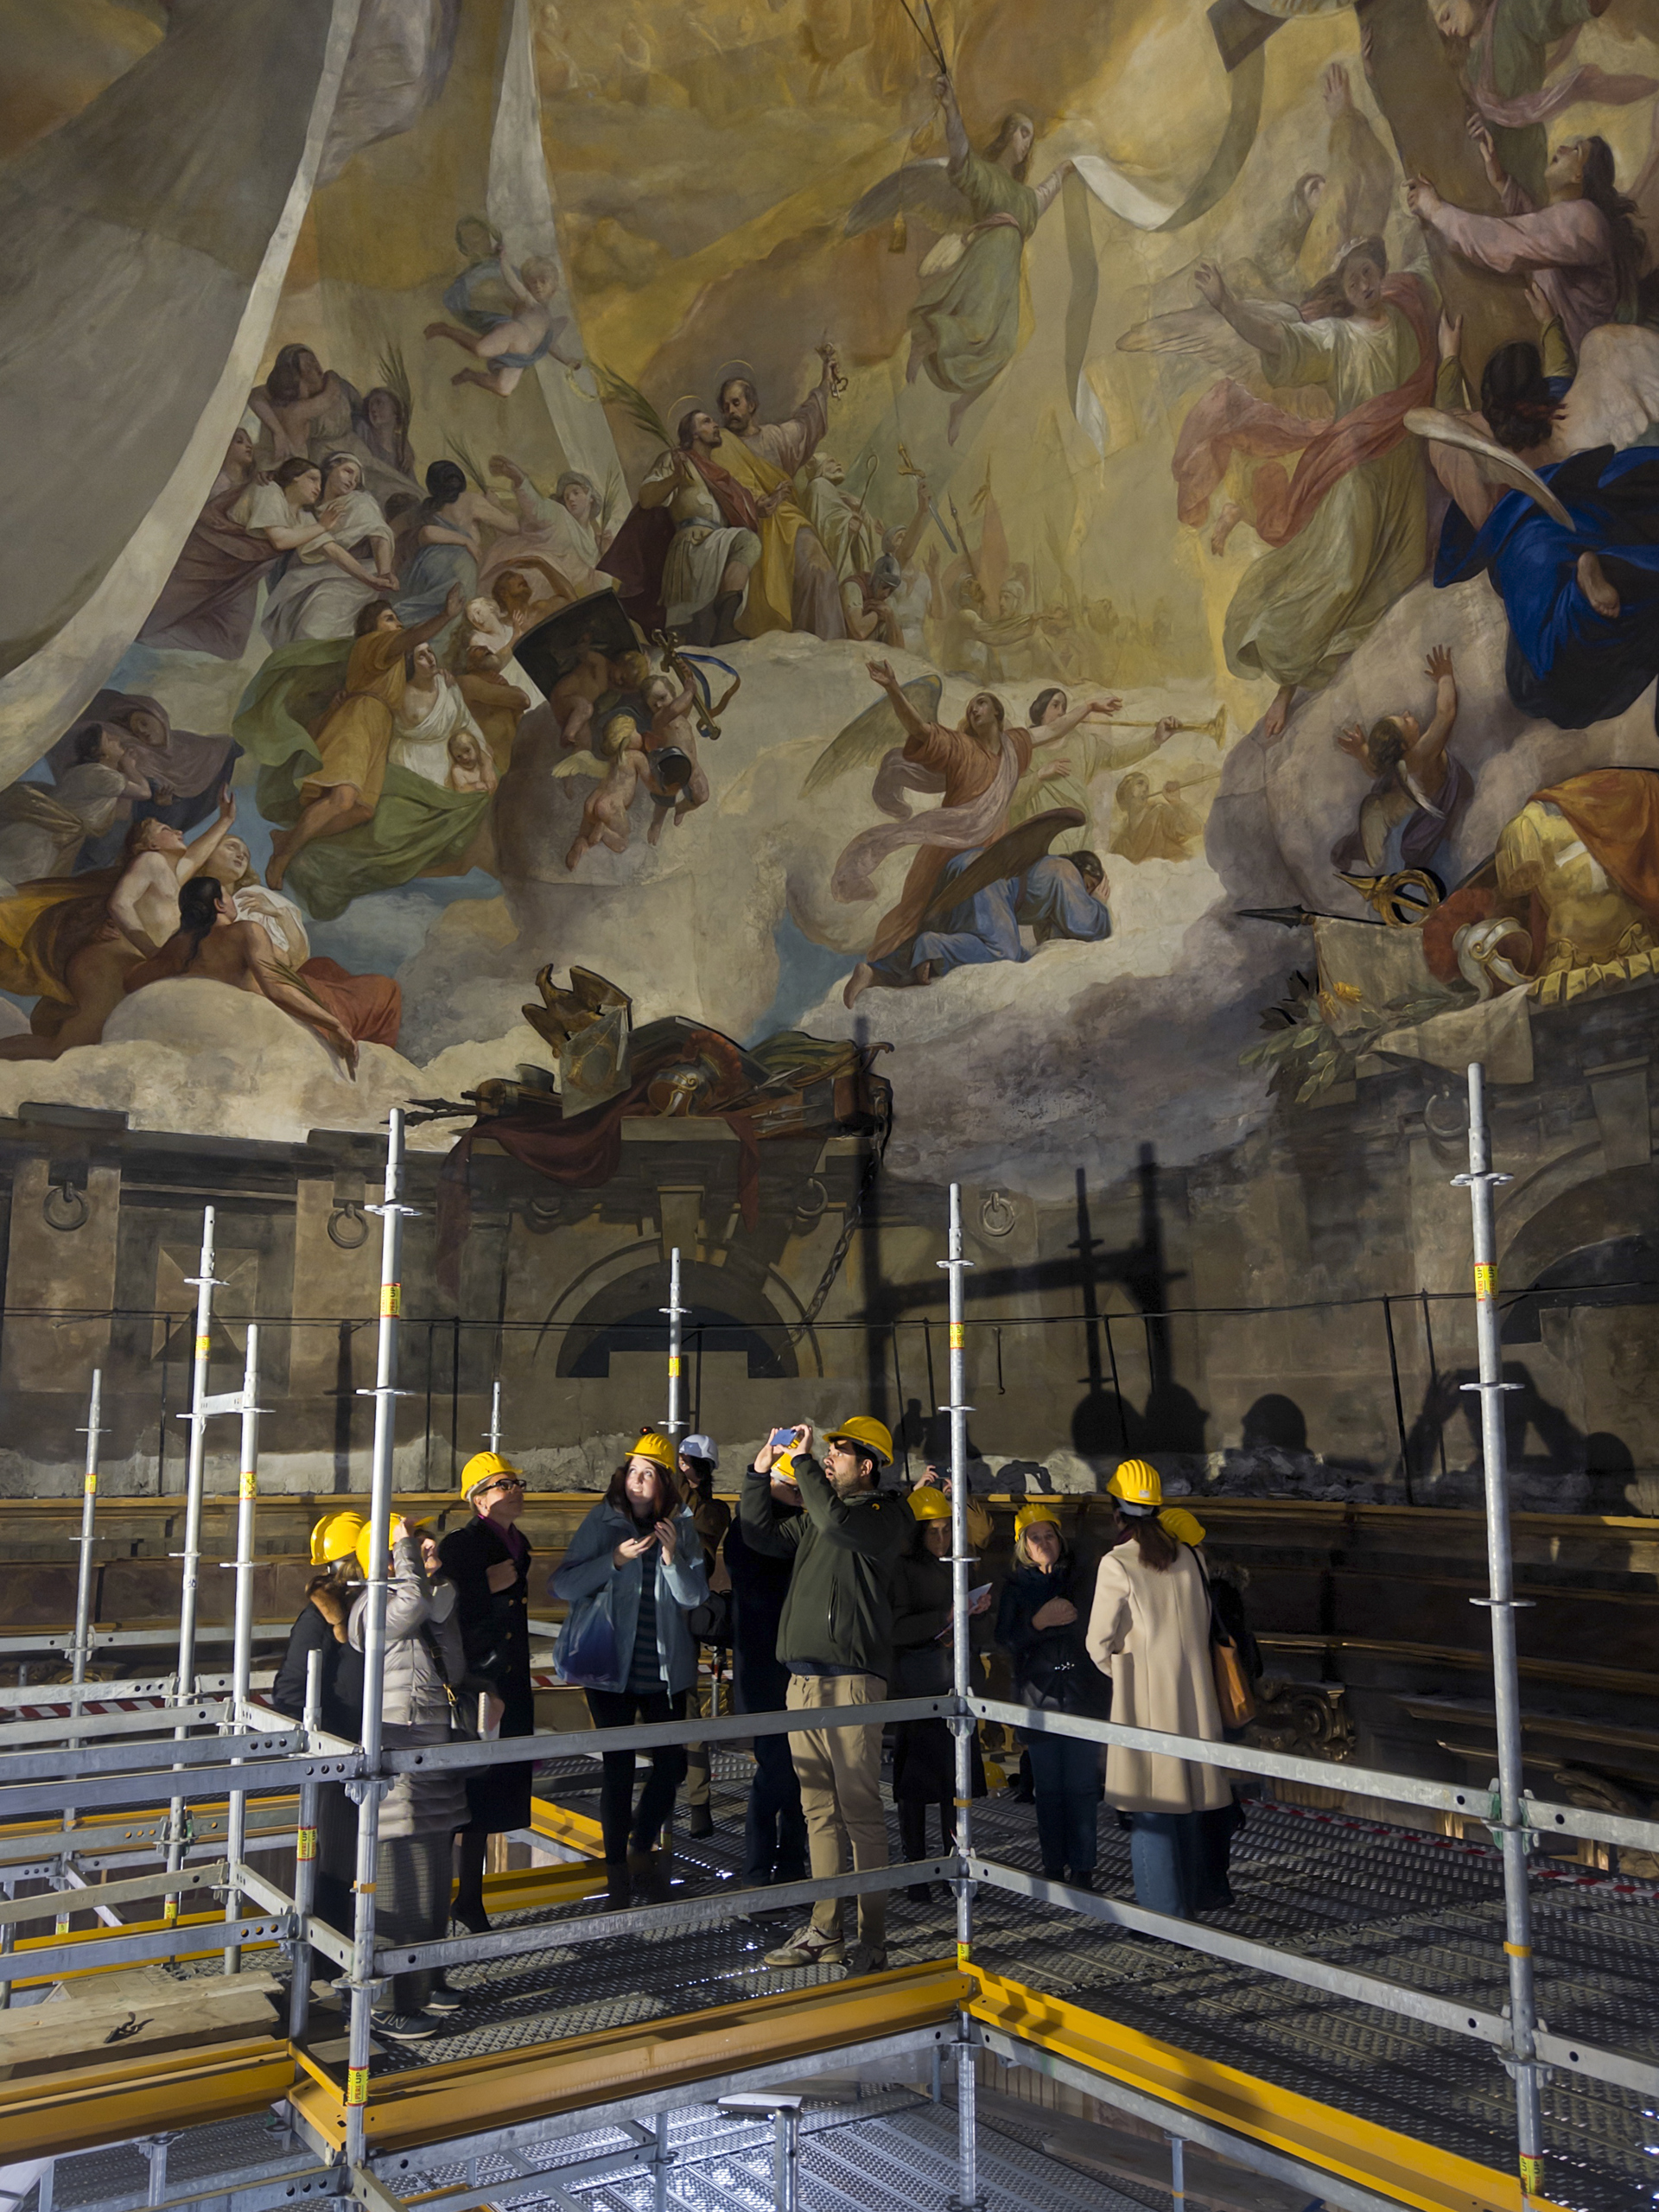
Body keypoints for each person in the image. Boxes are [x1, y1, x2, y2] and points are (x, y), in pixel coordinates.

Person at [1179, 241, 1434, 738]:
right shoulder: (1338, 337)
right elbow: (1280, 339)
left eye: (1368, 272)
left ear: (1381, 270)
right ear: (1343, 291)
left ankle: (1362, 679)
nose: (1363, 285)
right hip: (1357, 472)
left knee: (1401, 572)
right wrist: (1228, 306)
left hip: (1404, 470)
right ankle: (1287, 687)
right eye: (1351, 281)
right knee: (1338, 577)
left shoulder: (1409, 312)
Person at [740, 1414, 912, 1976]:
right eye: (829, 1449)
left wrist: (804, 1462)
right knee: (818, 1810)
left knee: (860, 1811)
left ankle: (873, 1938)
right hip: (804, 1680)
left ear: (869, 1466)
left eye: (841, 1450)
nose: (830, 1456)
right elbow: (760, 1534)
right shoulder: (820, 1516)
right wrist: (758, 1474)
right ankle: (825, 1930)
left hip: (851, 1681)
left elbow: (840, 1526)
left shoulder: (884, 1514)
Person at [550, 1433, 708, 1895]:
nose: (637, 1480)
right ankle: (617, 1869)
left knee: (671, 1766)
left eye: (648, 1473)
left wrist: (672, 1557)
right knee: (618, 1770)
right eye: (633, 1471)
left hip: (663, 1673)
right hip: (608, 1671)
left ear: (665, 1483)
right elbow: (563, 1585)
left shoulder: (681, 1526)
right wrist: (613, 1561)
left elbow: (694, 1596)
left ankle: (641, 1841)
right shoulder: (602, 1520)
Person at [1084, 1459, 1235, 1920]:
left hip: (1147, 1707)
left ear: (1116, 1511)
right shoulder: (1191, 1557)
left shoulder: (1117, 1563)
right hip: (1196, 1704)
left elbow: (1097, 1644)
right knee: (1188, 1806)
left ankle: (1160, 1917)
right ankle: (1186, 1906)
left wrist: (1128, 1675)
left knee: (1151, 1815)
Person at [349, 1515, 473, 2042]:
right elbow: (411, 1603)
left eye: (424, 1538)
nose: (426, 1544)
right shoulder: (370, 1607)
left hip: (435, 1757)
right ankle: (392, 2003)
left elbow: (435, 1611)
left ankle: (428, 1980)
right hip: (400, 1760)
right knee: (405, 1881)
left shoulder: (433, 1599)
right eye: (410, 1541)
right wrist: (403, 1555)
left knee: (437, 1879)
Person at [907, 76, 1075, 443]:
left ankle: (960, 407)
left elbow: (1042, 196)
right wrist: (952, 109)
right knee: (978, 328)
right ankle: (926, 343)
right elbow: (961, 159)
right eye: (1023, 133)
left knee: (1003, 347)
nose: (1027, 143)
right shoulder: (987, 177)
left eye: (1031, 138)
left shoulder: (1023, 198)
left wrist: (1062, 171)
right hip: (985, 263)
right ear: (1008, 133)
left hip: (1006, 277)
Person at [265, 587, 464, 893]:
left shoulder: (392, 660)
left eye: (397, 619)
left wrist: (442, 678)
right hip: (358, 720)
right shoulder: (373, 643)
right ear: (372, 626)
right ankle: (283, 856)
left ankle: (288, 838)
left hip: (379, 727)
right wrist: (445, 616)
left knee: (362, 810)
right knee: (342, 799)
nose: (397, 624)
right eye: (389, 618)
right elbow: (410, 638)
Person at [122, 876, 363, 1073]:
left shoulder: (178, 944)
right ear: (219, 904)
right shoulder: (246, 932)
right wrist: (334, 1025)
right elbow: (276, 989)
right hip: (251, 1032)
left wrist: (174, 964)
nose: (232, 900)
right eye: (228, 895)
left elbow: (132, 981)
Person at [439, 1452, 537, 1936]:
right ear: (479, 1500)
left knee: (490, 1792)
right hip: (477, 1683)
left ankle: (470, 1897)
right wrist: (484, 1585)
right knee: (462, 1792)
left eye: (516, 1482)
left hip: (509, 1680)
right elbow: (444, 1607)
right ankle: (441, 1898)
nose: (514, 1489)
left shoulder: (520, 1544)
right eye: (502, 1484)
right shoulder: (462, 1545)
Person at [995, 1500, 1109, 1888]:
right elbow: (1005, 1639)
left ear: (1060, 1540)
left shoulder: (1080, 1578)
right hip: (1038, 1696)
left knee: (1082, 1787)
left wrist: (1059, 1624)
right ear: (1023, 1546)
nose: (1043, 1543)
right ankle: (1052, 1866)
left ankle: (1083, 1867)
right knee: (1048, 1790)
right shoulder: (1014, 1588)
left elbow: (1093, 1626)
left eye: (1049, 1536)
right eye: (1035, 1537)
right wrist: (1038, 1623)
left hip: (1081, 1695)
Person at [270, 1511, 365, 1941]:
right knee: (336, 1859)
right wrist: (326, 1745)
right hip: (338, 1755)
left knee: (362, 1859)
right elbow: (291, 1691)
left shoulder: (369, 1608)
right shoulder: (321, 1617)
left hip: (366, 1747)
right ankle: (328, 1955)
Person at [890, 1485, 989, 1900]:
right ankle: (916, 1869)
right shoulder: (901, 1569)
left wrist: (974, 1612)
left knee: (956, 1781)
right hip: (919, 1687)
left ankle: (955, 1865)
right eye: (933, 1531)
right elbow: (896, 1629)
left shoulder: (957, 1564)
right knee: (914, 1787)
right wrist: (944, 1617)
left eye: (947, 1529)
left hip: (953, 1682)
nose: (942, 1538)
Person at [711, 357, 848, 639]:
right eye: (725, 407)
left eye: (736, 403)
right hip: (749, 526)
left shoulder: (775, 437)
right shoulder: (721, 445)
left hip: (787, 520)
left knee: (820, 569)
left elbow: (807, 422)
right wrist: (757, 504)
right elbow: (724, 489)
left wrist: (825, 383)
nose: (730, 411)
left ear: (752, 405)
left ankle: (829, 644)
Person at [723, 1450, 809, 1892]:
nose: (801, 1499)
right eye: (794, 1490)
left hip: (786, 1664)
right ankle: (761, 1873)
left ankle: (787, 1868)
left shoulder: (793, 1527)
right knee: (778, 1771)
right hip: (767, 1665)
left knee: (799, 1771)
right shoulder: (750, 1530)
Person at [856, 849, 1113, 995]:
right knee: (1004, 953)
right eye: (1088, 885)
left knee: (1020, 955)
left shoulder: (1047, 869)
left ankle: (876, 973)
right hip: (988, 878)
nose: (1087, 893)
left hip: (968, 866)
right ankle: (932, 946)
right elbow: (1088, 924)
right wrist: (1100, 904)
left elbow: (1053, 938)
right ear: (1081, 870)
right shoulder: (1065, 869)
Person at [1332, 647, 1470, 886]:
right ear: (1405, 744)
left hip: (1418, 795)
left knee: (1385, 789)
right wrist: (1445, 677)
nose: (1407, 714)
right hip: (1444, 795)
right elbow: (1446, 713)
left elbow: (1374, 768)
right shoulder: (1423, 752)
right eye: (1405, 721)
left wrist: (1361, 750)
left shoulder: (1396, 763)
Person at [627, 408, 765, 645]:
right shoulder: (676, 459)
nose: (715, 425)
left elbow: (734, 512)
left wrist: (760, 509)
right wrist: (675, 477)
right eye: (707, 422)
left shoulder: (717, 473)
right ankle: (725, 625)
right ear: (694, 434)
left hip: (716, 549)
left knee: (704, 633)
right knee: (748, 542)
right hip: (693, 548)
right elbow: (647, 499)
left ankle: (724, 626)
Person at [260, 452, 397, 646]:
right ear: (330, 469)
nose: (352, 481)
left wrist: (384, 572)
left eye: (356, 479)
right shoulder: (308, 508)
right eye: (348, 471)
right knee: (302, 628)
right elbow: (328, 548)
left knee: (316, 627)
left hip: (354, 579)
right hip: (316, 574)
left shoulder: (359, 502)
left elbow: (379, 536)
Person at [677, 1433, 730, 1841]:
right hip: (653, 1618)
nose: (685, 1467)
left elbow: (701, 1558)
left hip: (680, 1621)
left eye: (691, 1462)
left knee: (688, 1713)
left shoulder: (712, 1510)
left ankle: (699, 1804)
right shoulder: (664, 1498)